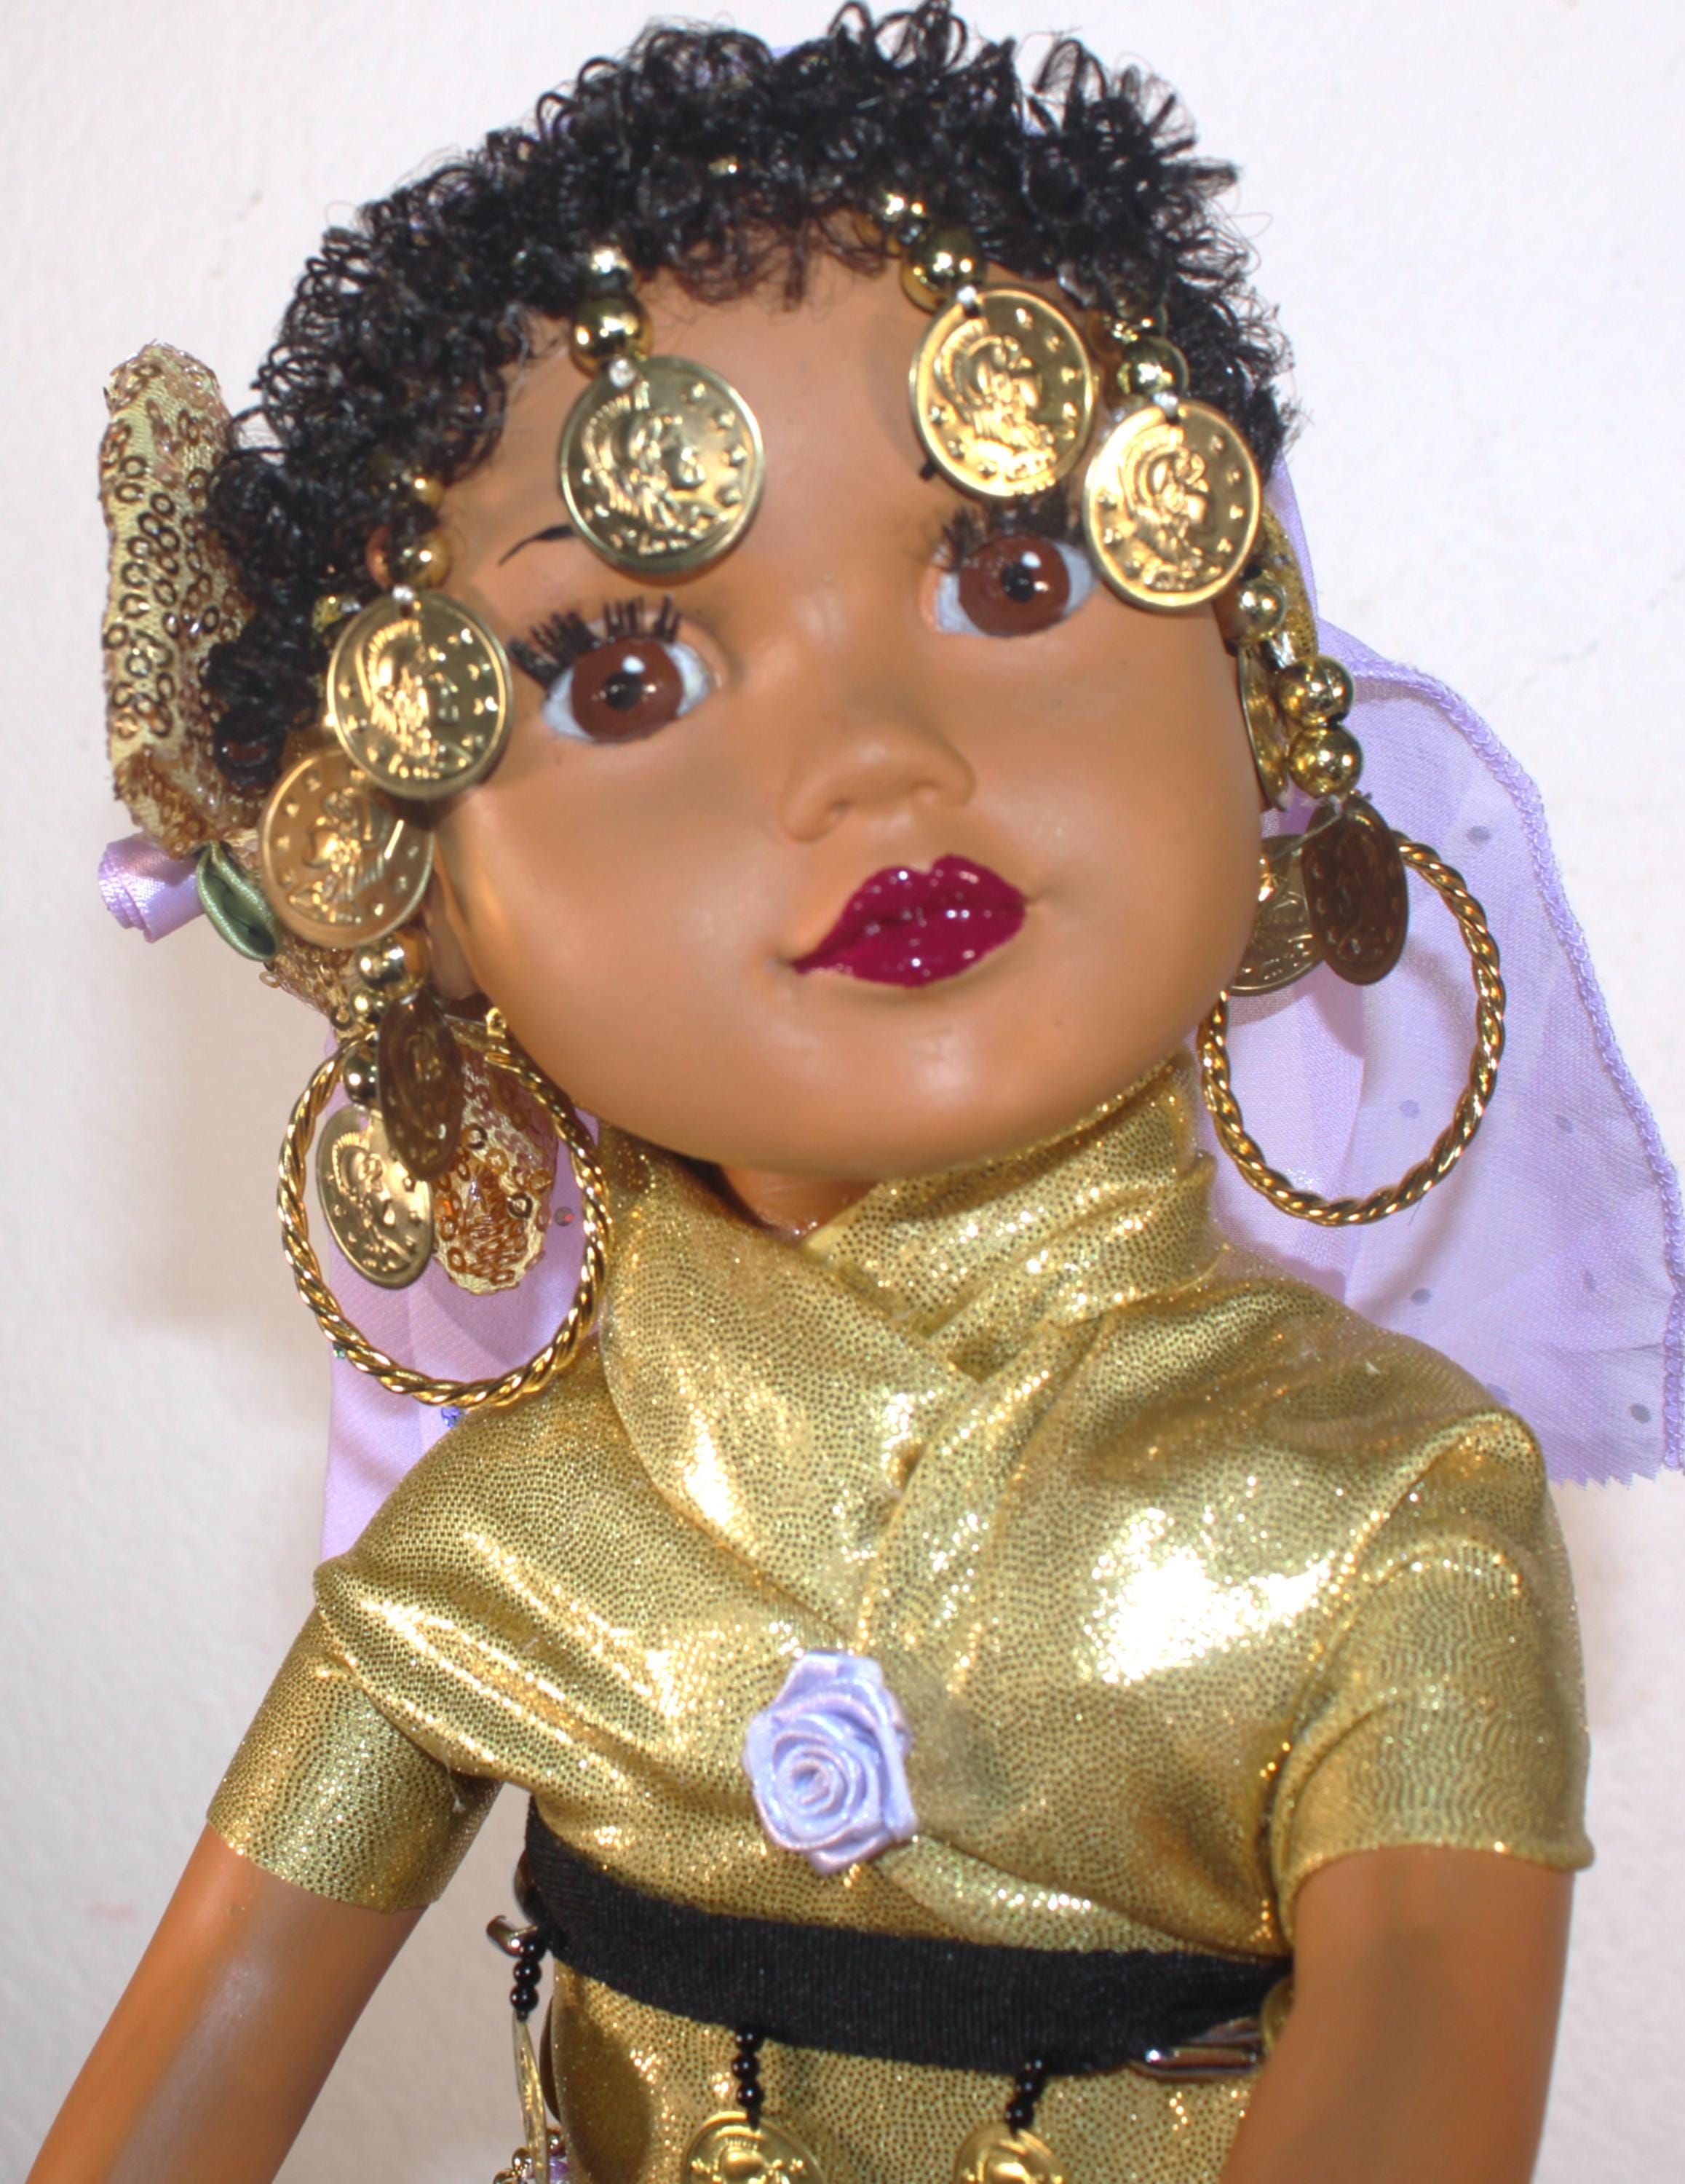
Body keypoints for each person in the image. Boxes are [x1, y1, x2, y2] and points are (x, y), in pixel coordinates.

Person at [37, 7, 1678, 2180]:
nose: (880, 755)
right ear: (415, 903)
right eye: (631, 675)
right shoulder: (499, 1559)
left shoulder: (1380, 1521)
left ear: (1258, 680)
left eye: (1015, 574)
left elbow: (1416, 2089)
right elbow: (170, 2099)